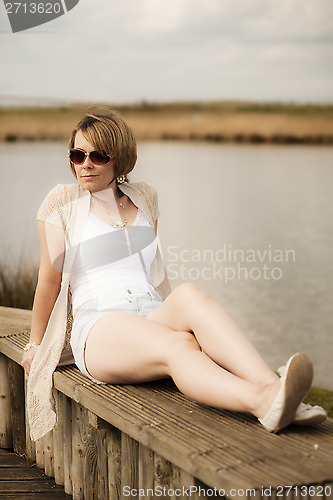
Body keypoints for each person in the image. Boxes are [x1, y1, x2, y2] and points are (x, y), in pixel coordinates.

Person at [21, 107, 326, 441]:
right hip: (100, 324)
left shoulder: (144, 198)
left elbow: (146, 272)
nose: (86, 164)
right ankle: (262, 402)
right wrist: (36, 345)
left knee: (190, 294)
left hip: (150, 311)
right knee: (180, 344)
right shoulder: (62, 202)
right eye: (78, 155)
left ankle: (277, 390)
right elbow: (49, 280)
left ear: (119, 158)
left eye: (98, 155)